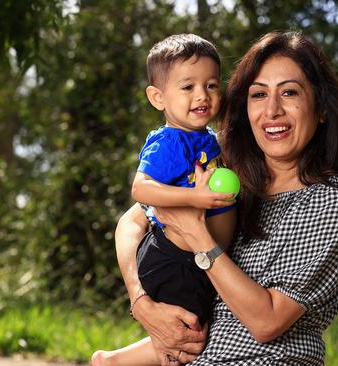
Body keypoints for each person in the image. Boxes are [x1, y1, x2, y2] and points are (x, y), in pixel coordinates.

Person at [102, 31, 338, 365]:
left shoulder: (335, 198)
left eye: (290, 92)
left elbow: (266, 322)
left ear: (321, 108)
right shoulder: (225, 168)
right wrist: (141, 302)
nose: (272, 110)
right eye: (258, 94)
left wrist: (198, 236)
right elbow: (131, 222)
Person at [91, 33, 236, 366]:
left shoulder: (207, 138)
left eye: (211, 85)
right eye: (188, 87)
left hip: (195, 259)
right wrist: (194, 196)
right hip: (174, 259)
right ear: (158, 98)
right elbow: (141, 189)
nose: (202, 95)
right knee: (189, 334)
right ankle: (110, 362)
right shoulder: (170, 141)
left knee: (193, 330)